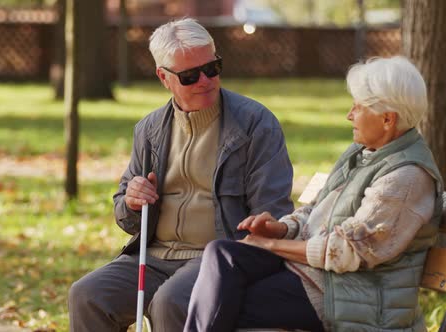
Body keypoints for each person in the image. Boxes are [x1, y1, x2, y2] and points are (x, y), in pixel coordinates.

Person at [183, 56, 444, 332]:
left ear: (388, 119)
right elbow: (317, 210)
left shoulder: (406, 177)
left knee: (227, 304)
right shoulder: (362, 153)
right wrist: (281, 229)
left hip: (352, 297)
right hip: (313, 275)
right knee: (223, 253)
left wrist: (270, 246)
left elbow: (346, 251)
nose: (350, 114)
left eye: (358, 106)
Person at [68, 18, 294, 332]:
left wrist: (261, 230)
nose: (205, 80)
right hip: (154, 257)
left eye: (212, 68)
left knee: (169, 301)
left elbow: (274, 211)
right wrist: (132, 202)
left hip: (217, 258)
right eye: (189, 76)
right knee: (87, 295)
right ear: (164, 77)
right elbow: (126, 218)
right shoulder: (149, 130)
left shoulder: (256, 124)